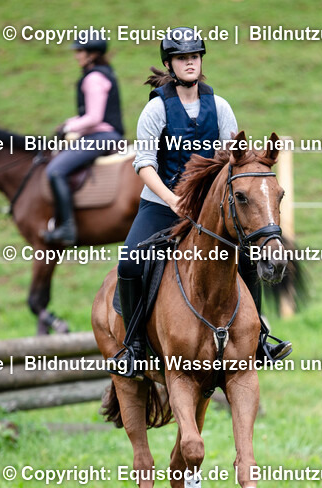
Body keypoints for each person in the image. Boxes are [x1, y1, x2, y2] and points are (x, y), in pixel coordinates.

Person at [111, 27, 291, 380]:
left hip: (208, 208)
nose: (189, 62)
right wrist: (172, 199)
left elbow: (233, 161)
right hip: (162, 204)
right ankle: (133, 347)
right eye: (182, 58)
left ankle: (260, 340)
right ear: (170, 64)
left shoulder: (220, 106)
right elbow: (143, 164)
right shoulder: (155, 110)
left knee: (249, 256)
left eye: (194, 56)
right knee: (131, 261)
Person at [41, 38, 124, 248]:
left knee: (56, 170)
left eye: (80, 51)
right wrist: (70, 123)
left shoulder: (93, 78)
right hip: (103, 135)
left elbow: (94, 117)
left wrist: (69, 128)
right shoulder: (103, 73)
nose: (76, 55)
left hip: (102, 137)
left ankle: (67, 228)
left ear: (92, 54)